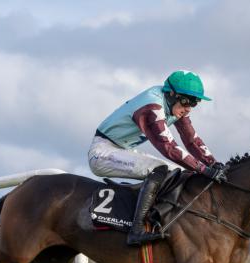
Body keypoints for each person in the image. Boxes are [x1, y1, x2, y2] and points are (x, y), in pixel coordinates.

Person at [88, 70, 227, 245]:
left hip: (121, 150)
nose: (189, 108)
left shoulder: (174, 105)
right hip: (102, 153)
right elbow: (168, 147)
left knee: (179, 171)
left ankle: (160, 217)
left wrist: (213, 163)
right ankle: (136, 230)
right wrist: (203, 169)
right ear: (171, 94)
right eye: (186, 101)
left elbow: (191, 139)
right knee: (160, 169)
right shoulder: (151, 106)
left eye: (194, 103)